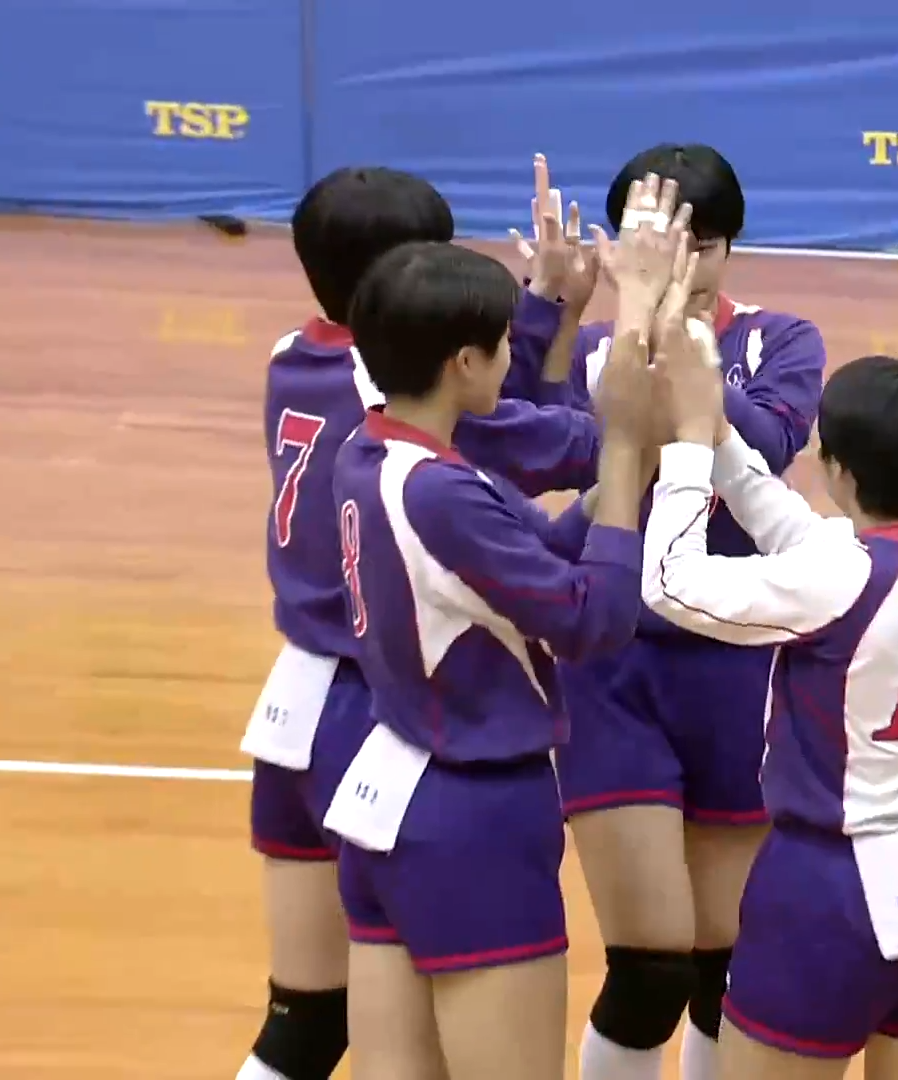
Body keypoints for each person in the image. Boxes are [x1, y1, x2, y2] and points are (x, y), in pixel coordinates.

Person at [236, 164, 602, 1080]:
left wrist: (541, 311)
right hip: (378, 706)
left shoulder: (294, 355)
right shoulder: (393, 411)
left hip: (294, 701)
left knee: (306, 1024)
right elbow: (555, 446)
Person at [494, 145, 828, 1080]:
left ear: (731, 247)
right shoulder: (592, 347)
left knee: (728, 968)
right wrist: (557, 312)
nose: (685, 261)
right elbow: (528, 440)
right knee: (650, 967)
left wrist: (672, 345)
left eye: (703, 244)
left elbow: (768, 440)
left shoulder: (782, 339)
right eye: (661, 241)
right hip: (612, 666)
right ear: (622, 247)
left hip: (738, 664)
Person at [324, 237, 664, 1079]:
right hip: (473, 817)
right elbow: (592, 620)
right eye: (506, 340)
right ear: (465, 363)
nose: (515, 353)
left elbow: (523, 558)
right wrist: (625, 452)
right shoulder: (442, 493)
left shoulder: (369, 453)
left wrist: (611, 492)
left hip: (387, 797)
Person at [637, 349, 898, 1079]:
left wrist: (687, 450)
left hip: (825, 885)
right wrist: (722, 435)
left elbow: (671, 582)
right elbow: (803, 535)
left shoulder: (836, 578)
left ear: (841, 472)